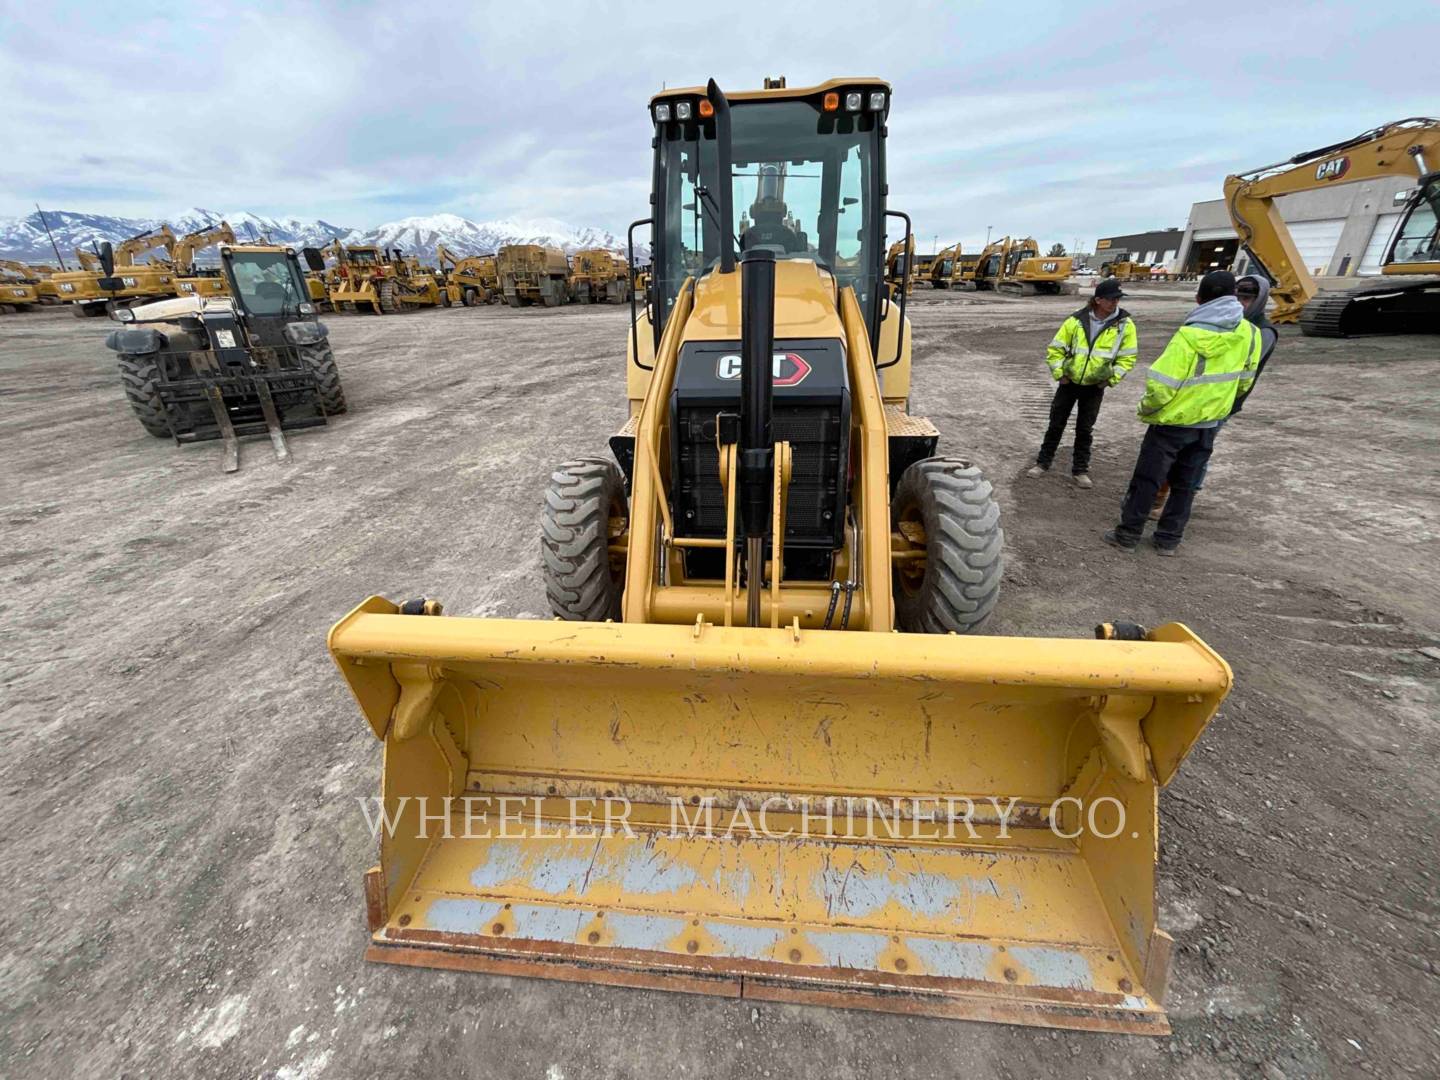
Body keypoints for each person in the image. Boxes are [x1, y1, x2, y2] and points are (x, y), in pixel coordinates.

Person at [1104, 270, 1261, 555]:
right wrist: (1218, 404)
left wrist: (1147, 410)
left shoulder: (1188, 335)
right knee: (1186, 484)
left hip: (1172, 424)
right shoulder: (1250, 334)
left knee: (1148, 479)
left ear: (1199, 298)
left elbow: (1162, 385)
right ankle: (1168, 539)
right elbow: (1245, 381)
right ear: (1234, 297)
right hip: (1209, 422)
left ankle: (1127, 535)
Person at [1146, 271, 1279, 519]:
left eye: (1247, 299)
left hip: (1218, 404)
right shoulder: (1222, 325)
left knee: (1193, 459)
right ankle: (1160, 498)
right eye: (1238, 297)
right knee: (1176, 456)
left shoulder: (1260, 332)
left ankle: (1174, 501)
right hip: (1194, 401)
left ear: (1259, 300)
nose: (1241, 304)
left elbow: (1242, 373)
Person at [1026, 277, 1138, 488]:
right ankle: (1042, 463)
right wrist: (1060, 374)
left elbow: (1128, 357)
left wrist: (1110, 380)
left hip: (1095, 386)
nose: (1115, 302)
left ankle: (1080, 470)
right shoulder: (1076, 320)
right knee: (1056, 424)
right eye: (1111, 299)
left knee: (1085, 429)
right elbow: (1055, 349)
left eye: (1117, 299)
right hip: (1069, 383)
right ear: (1098, 300)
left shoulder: (1125, 325)